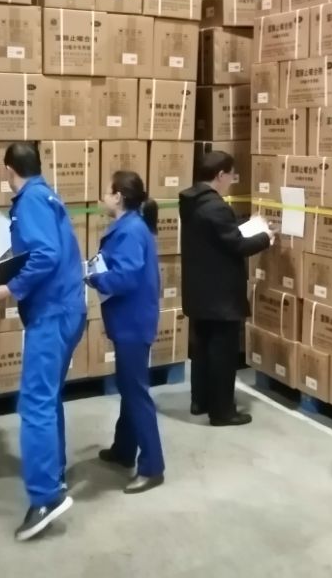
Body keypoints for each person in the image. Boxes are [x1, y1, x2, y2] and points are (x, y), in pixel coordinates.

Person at [0, 142, 85, 541]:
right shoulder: (46, 195)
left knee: (34, 403)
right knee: (48, 397)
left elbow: (45, 254)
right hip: (66, 308)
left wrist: (10, 289)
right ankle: (53, 475)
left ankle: (45, 498)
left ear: (8, 169)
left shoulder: (30, 202)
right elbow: (42, 250)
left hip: (51, 314)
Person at [179, 150, 274, 427]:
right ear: (220, 175)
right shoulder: (216, 207)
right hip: (220, 296)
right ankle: (222, 412)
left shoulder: (190, 201)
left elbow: (217, 238)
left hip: (199, 293)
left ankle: (200, 401)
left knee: (202, 350)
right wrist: (265, 237)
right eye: (232, 175)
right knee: (221, 355)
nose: (233, 180)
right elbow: (237, 245)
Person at [86, 171, 165, 494]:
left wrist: (93, 277)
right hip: (131, 319)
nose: (102, 197)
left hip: (133, 321)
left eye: (106, 191)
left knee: (135, 392)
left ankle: (152, 466)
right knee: (129, 387)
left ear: (118, 196)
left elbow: (126, 277)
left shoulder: (131, 230)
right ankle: (123, 449)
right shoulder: (130, 226)